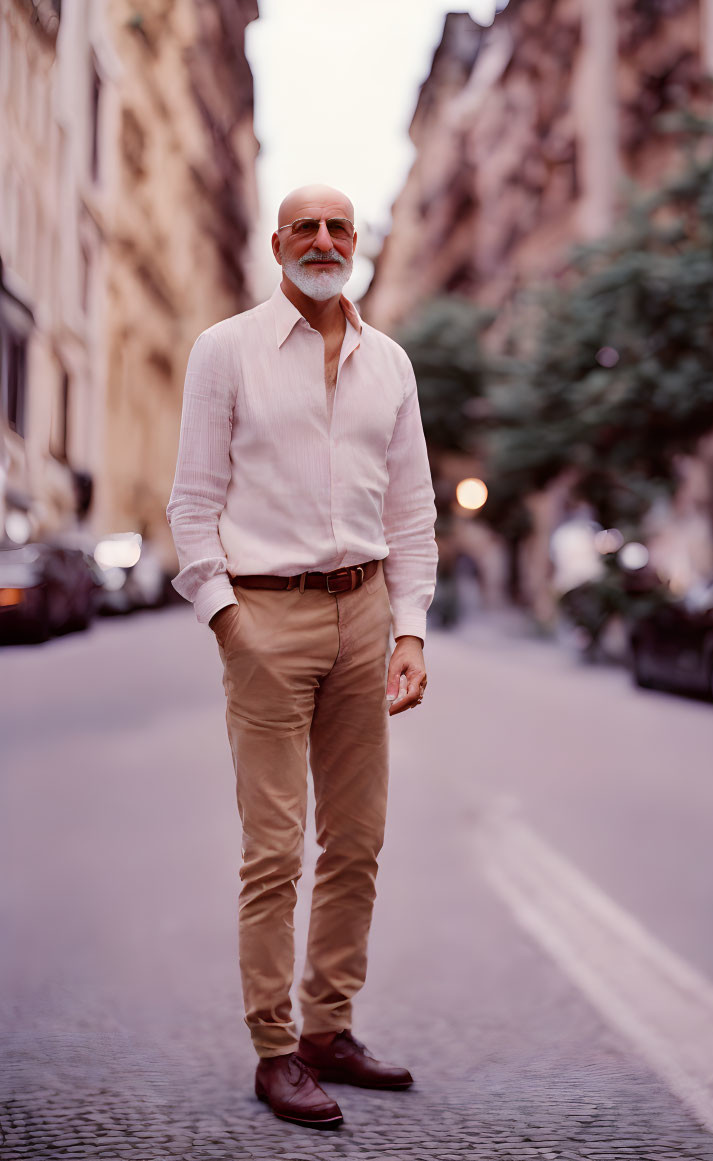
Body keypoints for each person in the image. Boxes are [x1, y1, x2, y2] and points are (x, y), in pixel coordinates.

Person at [166, 184, 437, 1130]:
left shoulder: (390, 364)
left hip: (363, 613)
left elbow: (411, 511)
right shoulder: (225, 349)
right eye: (304, 228)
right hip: (265, 616)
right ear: (276, 241)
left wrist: (408, 628)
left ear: (355, 244)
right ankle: (275, 1049)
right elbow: (191, 501)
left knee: (355, 841)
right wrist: (228, 621)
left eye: (338, 228)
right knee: (274, 851)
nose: (322, 242)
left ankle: (330, 1028)